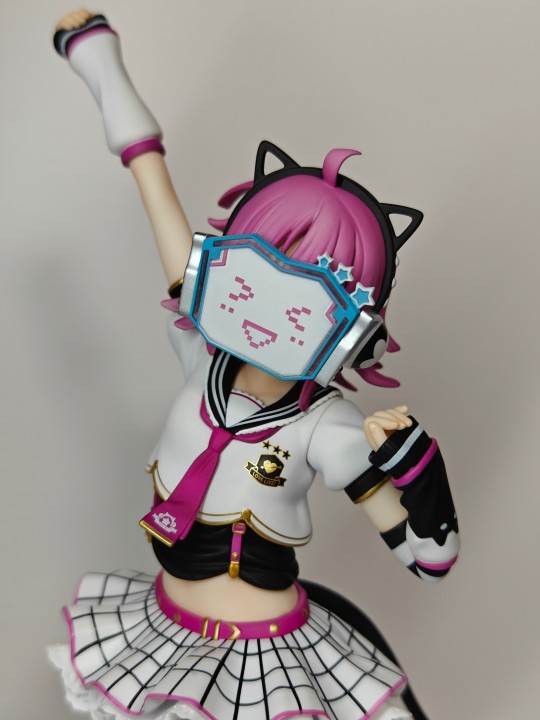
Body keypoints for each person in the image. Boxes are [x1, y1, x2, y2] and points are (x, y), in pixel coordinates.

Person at [48, 10, 460, 720]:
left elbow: (430, 557)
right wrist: (100, 64)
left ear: (351, 328)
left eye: (304, 302)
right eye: (250, 280)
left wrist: (419, 468)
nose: (268, 312)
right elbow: (158, 199)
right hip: (165, 629)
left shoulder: (327, 429)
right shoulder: (201, 351)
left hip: (264, 664)